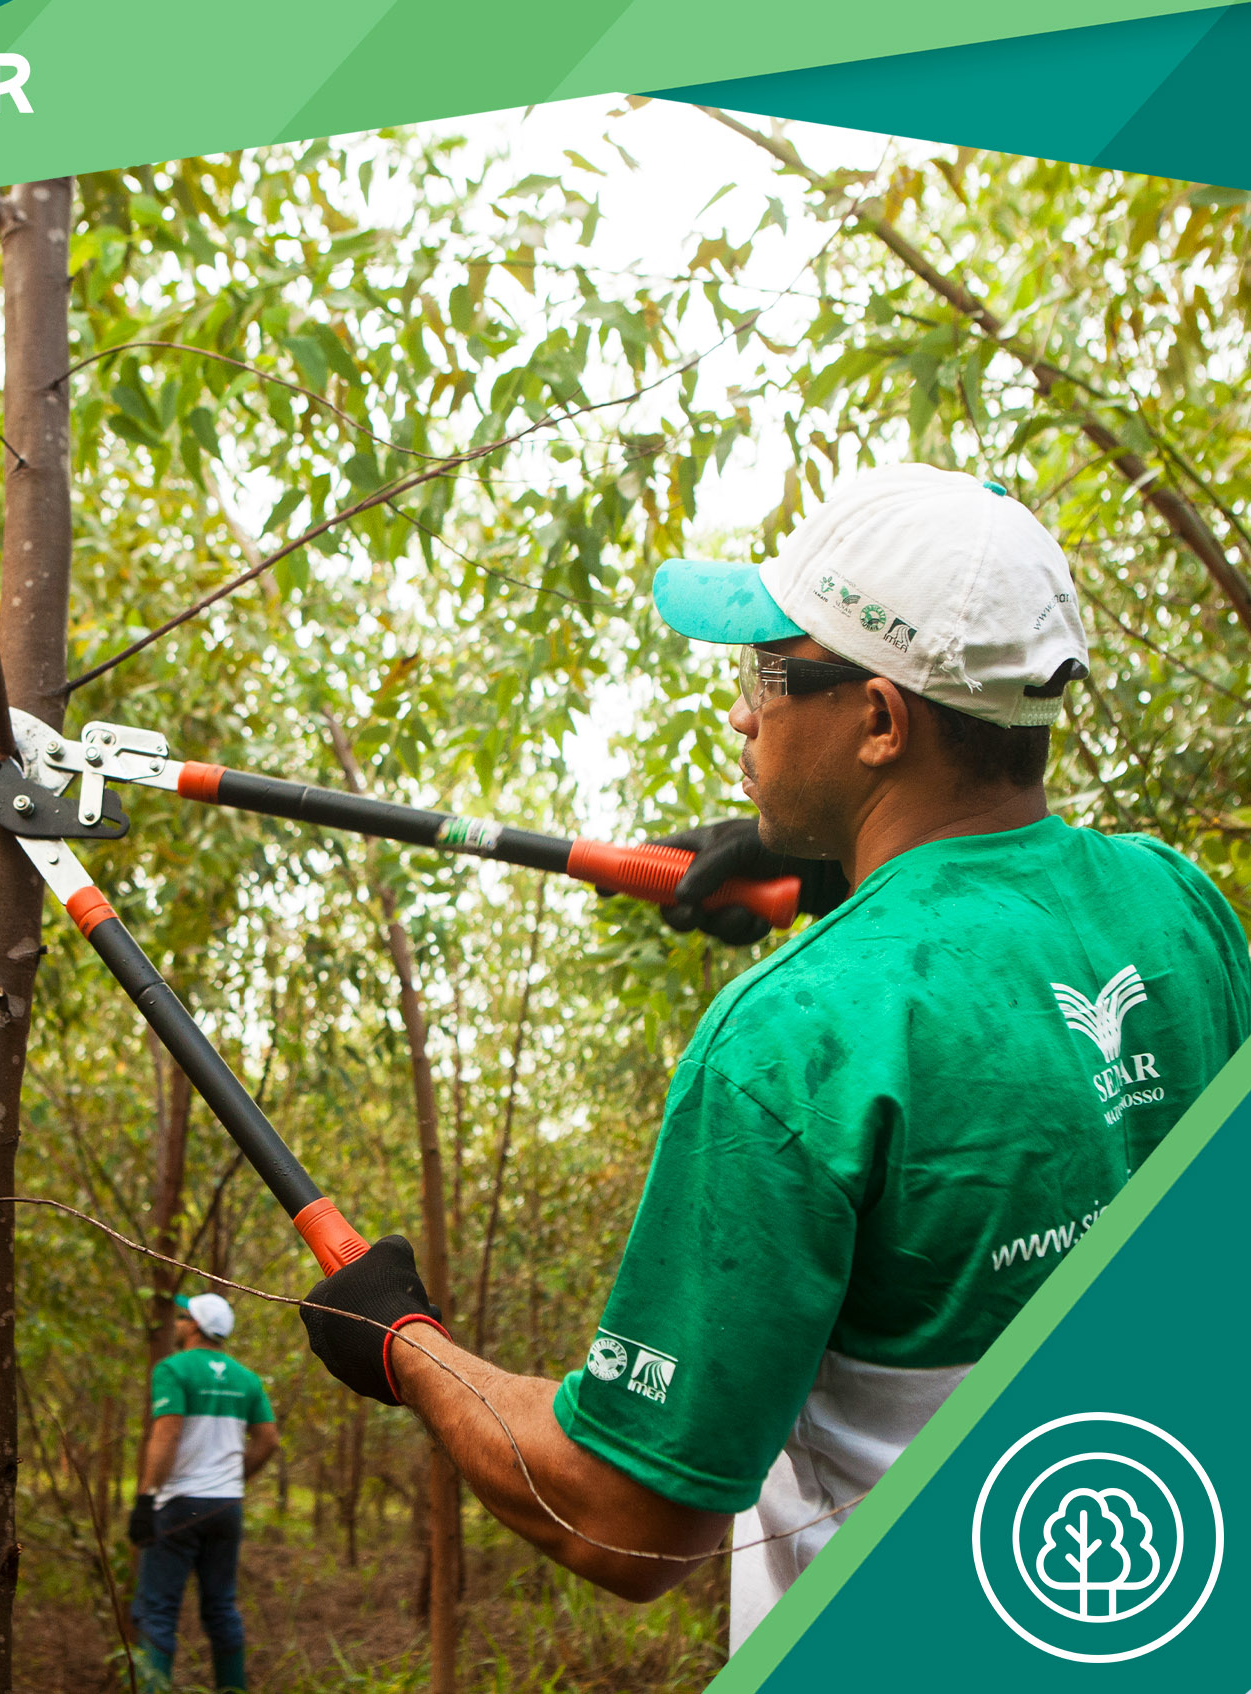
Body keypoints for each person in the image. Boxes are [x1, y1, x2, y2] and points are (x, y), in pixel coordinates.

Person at [297, 464, 1251, 1649]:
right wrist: (834, 879)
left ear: (880, 722)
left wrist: (406, 1345)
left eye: (765, 675)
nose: (743, 714)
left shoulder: (789, 1039)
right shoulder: (1178, 906)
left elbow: (624, 1517)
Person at [129, 1292, 279, 1692]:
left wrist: (145, 1498)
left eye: (183, 1317)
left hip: (178, 1506)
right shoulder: (246, 1379)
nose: (178, 1323)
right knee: (221, 1609)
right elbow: (268, 1440)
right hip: (225, 1509)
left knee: (157, 1612)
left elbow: (167, 1433)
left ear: (194, 1326)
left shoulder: (173, 1369)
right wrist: (231, 1479)